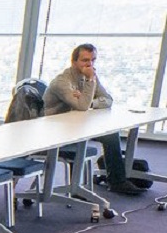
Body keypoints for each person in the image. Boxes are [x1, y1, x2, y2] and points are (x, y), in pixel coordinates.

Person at [43, 43, 141, 196]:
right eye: (85, 60)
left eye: (93, 60)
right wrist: (88, 87)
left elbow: (108, 100)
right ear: (74, 62)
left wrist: (91, 101)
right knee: (95, 137)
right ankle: (77, 188)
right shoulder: (62, 82)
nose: (90, 64)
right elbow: (82, 107)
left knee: (111, 135)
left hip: (77, 126)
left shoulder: (90, 77)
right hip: (56, 129)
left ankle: (117, 181)